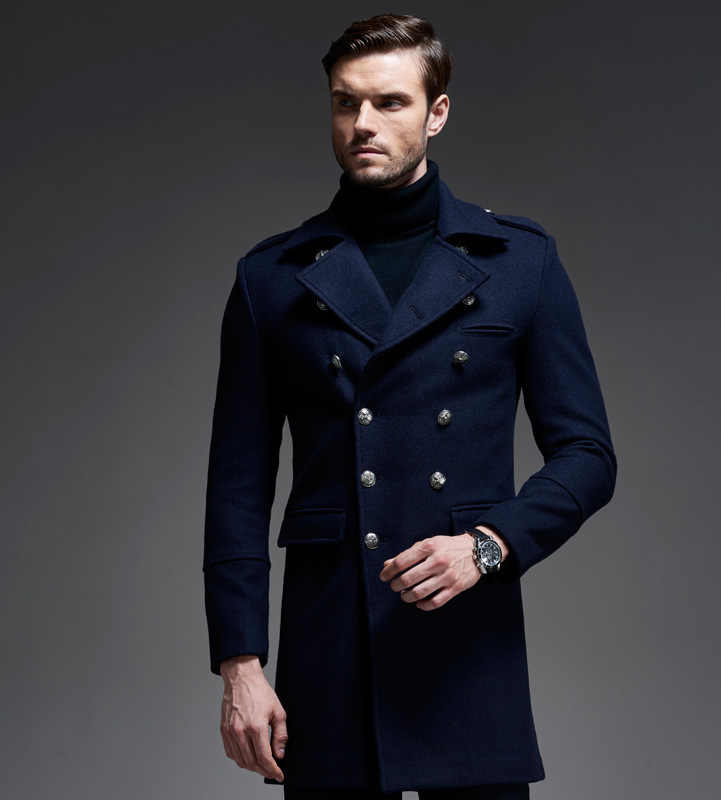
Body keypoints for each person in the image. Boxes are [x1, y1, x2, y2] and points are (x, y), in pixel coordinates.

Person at [202, 12, 617, 799]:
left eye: (389, 102)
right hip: (329, 644)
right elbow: (236, 489)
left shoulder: (518, 261)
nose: (363, 123)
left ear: (436, 113)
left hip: (465, 639)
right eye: (345, 102)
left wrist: (488, 546)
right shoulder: (272, 278)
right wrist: (240, 664)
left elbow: (589, 457)